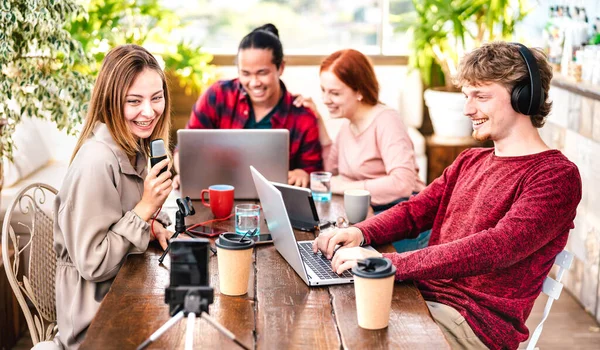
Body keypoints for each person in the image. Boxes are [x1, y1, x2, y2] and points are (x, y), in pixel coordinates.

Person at [313, 42, 582, 350]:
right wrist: (358, 232)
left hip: (472, 324)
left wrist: (387, 264)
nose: (467, 109)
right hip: (421, 297)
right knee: (328, 315)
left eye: (480, 96)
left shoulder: (555, 176)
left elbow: (497, 248)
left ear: (525, 96)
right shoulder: (470, 160)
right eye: (467, 96)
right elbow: (414, 211)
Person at [53, 44, 174, 349]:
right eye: (134, 101)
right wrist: (145, 209)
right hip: (97, 325)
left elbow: (121, 223)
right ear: (110, 102)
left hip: (129, 295)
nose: (149, 111)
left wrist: (149, 225)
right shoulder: (97, 162)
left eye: (156, 98)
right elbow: (94, 264)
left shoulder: (135, 147)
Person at [293, 49, 428, 251]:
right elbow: (329, 173)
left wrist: (349, 188)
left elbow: (402, 183)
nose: (326, 99)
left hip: (404, 221)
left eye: (335, 93)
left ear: (359, 91)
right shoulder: (348, 126)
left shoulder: (386, 120)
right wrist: (318, 120)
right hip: (371, 216)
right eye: (324, 90)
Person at [172, 23, 322, 188]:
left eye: (262, 73)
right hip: (216, 197)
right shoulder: (218, 96)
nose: (254, 83)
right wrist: (185, 173)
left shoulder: (303, 117)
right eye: (245, 73)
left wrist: (304, 174)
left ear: (281, 68)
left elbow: (315, 174)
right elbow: (184, 150)